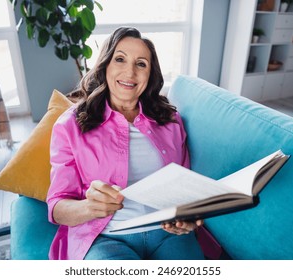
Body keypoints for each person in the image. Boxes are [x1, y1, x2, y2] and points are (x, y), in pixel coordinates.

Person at [46, 26, 205, 260]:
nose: (130, 72)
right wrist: (89, 207)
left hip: (169, 235)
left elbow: (184, 186)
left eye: (141, 64)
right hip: (106, 237)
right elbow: (57, 207)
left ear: (150, 74)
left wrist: (186, 215)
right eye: (120, 59)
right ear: (105, 66)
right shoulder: (70, 125)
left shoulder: (171, 121)